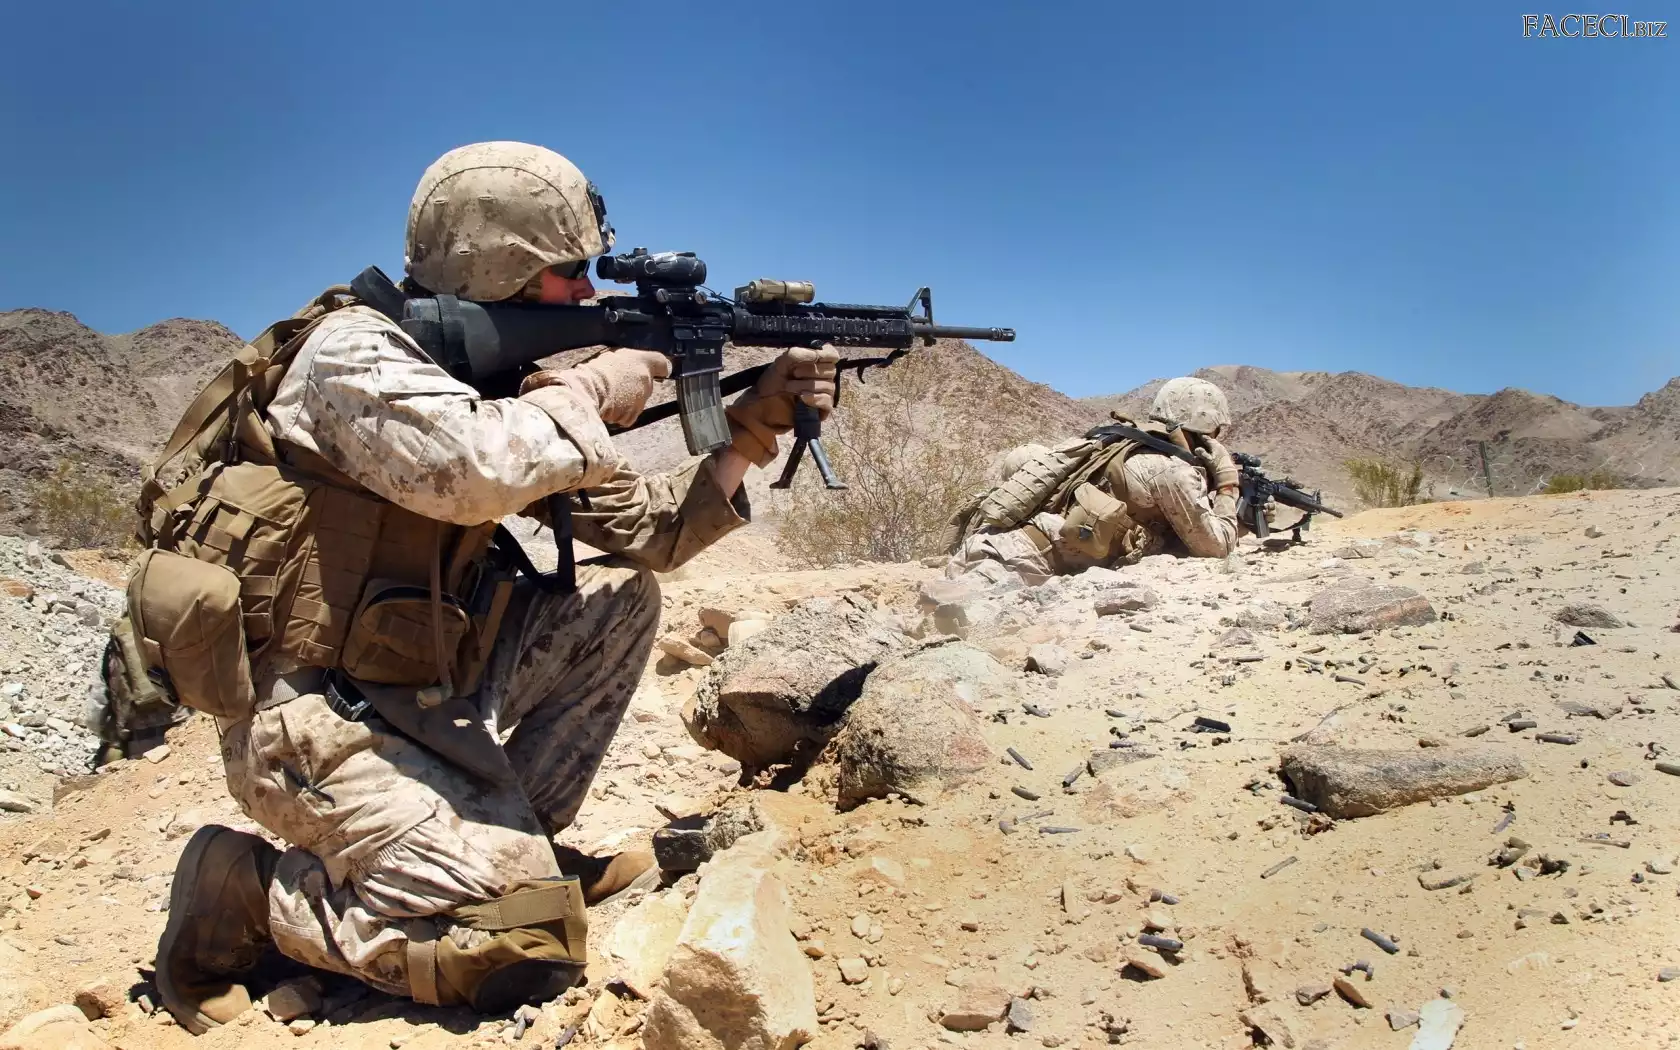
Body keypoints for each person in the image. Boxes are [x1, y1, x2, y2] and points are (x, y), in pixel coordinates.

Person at [139, 141, 838, 1031]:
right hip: (307, 721)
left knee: (620, 599)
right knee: (522, 948)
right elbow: (476, 470)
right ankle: (244, 891)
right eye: (570, 273)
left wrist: (749, 427)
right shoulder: (352, 354)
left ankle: (513, 848)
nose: (588, 294)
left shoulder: (497, 382)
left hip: (422, 684)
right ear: (498, 267)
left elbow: (649, 534)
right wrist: (591, 388)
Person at [946, 376, 1242, 585]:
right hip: (1008, 568)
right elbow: (1215, 548)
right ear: (1207, 429)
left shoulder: (1119, 444)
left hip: (990, 548)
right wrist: (1227, 485)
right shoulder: (1171, 469)